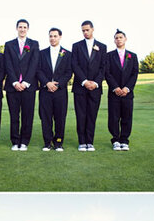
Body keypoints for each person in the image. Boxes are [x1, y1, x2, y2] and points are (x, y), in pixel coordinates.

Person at [71, 20, 108, 152]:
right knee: (81, 115)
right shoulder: (76, 46)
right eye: (83, 30)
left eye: (87, 30)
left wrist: (96, 83)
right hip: (80, 87)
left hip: (95, 88)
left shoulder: (102, 47)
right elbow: (74, 65)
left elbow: (103, 67)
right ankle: (82, 142)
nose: (85, 32)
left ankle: (90, 142)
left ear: (93, 29)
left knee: (92, 115)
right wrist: (85, 81)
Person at [4, 19, 40, 151]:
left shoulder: (34, 44)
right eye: (20, 27)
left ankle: (24, 141)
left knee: (27, 115)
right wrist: (14, 82)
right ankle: (15, 140)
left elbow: (34, 64)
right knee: (14, 115)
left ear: (28, 29)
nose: (22, 29)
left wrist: (25, 83)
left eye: (25, 27)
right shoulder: (9, 45)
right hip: (12, 87)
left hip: (28, 87)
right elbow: (7, 64)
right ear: (16, 28)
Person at [37, 28, 73, 152]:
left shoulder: (67, 54)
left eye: (55, 36)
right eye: (51, 36)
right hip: (45, 91)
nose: (52, 38)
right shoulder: (41, 53)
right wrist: (47, 83)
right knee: (45, 117)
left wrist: (58, 84)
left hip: (60, 92)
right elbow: (38, 70)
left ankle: (58, 142)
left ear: (60, 37)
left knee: (60, 117)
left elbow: (69, 72)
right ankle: (47, 142)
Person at [105, 29, 139, 151]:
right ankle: (115, 140)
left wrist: (127, 88)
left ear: (125, 39)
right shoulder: (108, 56)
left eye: (121, 37)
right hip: (114, 93)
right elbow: (107, 73)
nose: (118, 39)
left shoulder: (133, 56)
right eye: (116, 38)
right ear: (114, 40)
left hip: (127, 94)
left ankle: (124, 140)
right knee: (113, 117)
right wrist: (115, 87)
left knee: (127, 117)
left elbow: (134, 74)